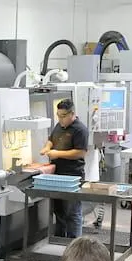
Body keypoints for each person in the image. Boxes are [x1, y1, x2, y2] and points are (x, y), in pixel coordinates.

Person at [40, 99, 89, 239]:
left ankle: (74, 244)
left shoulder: (80, 130)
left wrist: (57, 154)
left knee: (72, 212)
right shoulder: (59, 125)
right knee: (59, 211)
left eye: (63, 116)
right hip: (57, 175)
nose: (60, 119)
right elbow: (51, 139)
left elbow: (80, 152)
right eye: (58, 115)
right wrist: (47, 147)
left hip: (72, 176)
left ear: (72, 114)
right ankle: (59, 241)